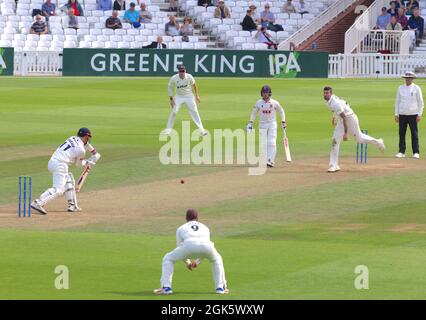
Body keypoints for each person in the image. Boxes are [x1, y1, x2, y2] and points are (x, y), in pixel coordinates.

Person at [153, 208, 228, 295]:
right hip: (207, 247)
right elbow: (204, 247)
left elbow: (179, 247)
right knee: (217, 259)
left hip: (189, 245)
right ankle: (220, 288)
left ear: (186, 218)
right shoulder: (205, 227)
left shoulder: (181, 228)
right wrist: (197, 262)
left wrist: (188, 263)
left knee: (168, 258)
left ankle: (166, 288)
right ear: (197, 218)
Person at [30, 128, 101, 215]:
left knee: (69, 179)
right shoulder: (81, 150)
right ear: (86, 136)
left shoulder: (73, 138)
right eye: (88, 137)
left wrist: (95, 153)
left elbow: (86, 145)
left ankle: (73, 205)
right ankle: (38, 203)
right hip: (60, 165)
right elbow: (78, 164)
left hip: (52, 162)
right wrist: (88, 162)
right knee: (59, 190)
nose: (89, 139)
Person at [323, 87, 385, 172]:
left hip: (350, 119)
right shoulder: (329, 100)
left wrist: (345, 133)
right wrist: (334, 118)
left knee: (359, 139)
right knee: (335, 140)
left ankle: (378, 142)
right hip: (342, 120)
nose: (325, 94)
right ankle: (333, 165)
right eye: (325, 93)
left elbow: (344, 117)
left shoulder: (335, 103)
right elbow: (335, 111)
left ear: (331, 93)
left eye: (327, 93)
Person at [246, 85, 286, 168]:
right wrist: (250, 123)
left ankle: (270, 160)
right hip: (262, 124)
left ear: (269, 93)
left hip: (272, 124)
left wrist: (283, 121)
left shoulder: (274, 103)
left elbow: (281, 111)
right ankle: (265, 159)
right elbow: (253, 113)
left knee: (271, 142)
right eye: (264, 93)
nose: (265, 94)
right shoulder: (258, 103)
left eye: (266, 93)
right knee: (263, 143)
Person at [162, 65, 207, 137]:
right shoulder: (174, 78)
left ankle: (202, 130)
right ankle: (168, 130)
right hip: (178, 97)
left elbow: (194, 85)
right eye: (181, 71)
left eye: (183, 71)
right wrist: (171, 99)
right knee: (174, 111)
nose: (182, 72)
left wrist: (197, 96)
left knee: (195, 112)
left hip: (189, 96)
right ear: (178, 72)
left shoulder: (189, 77)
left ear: (185, 71)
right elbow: (170, 87)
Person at [394, 71, 424, 159]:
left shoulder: (416, 88)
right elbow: (397, 101)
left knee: (414, 133)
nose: (407, 80)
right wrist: (396, 114)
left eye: (409, 78)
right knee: (401, 133)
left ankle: (416, 152)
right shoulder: (400, 88)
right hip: (402, 114)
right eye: (406, 78)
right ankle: (401, 151)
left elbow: (421, 102)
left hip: (413, 114)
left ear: (412, 79)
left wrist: (419, 114)